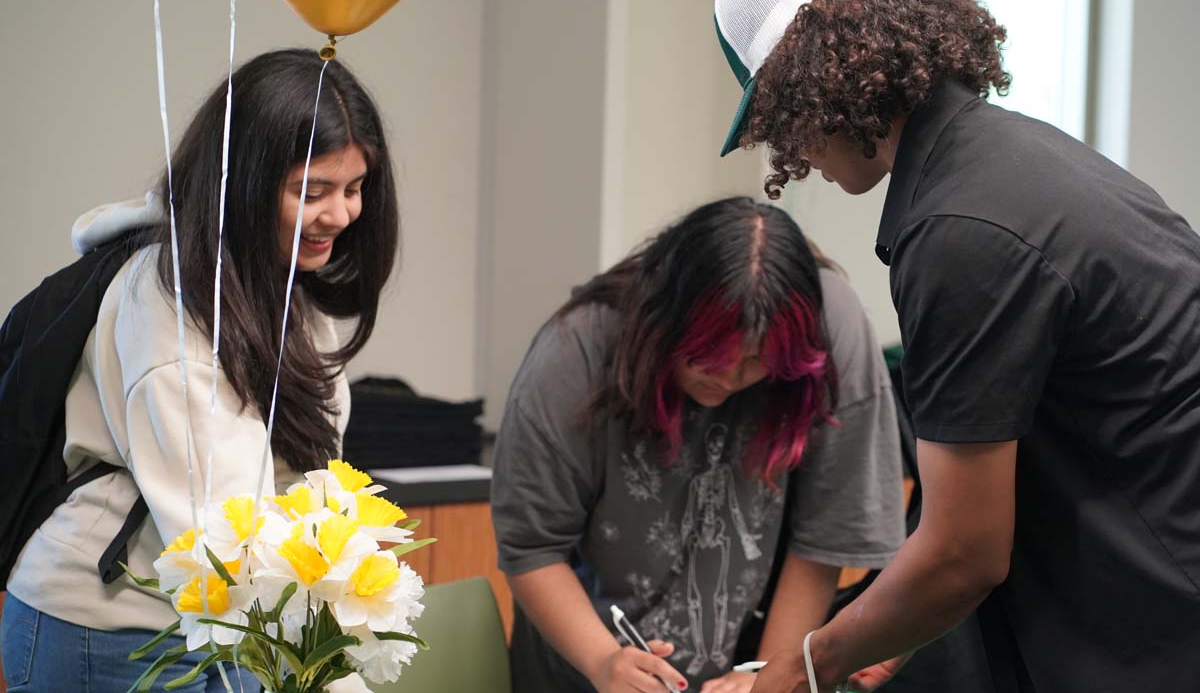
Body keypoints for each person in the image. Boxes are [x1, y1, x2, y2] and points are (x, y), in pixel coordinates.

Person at [714, 0, 1200, 693]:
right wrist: (884, 632)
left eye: (780, 120)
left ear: (812, 84)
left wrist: (801, 671)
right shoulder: (1014, 159)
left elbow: (965, 555)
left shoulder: (956, 231)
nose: (793, 154)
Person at [0, 49, 399, 692]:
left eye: (354, 189)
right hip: (107, 630)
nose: (342, 214)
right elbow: (222, 530)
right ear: (244, 180)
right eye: (312, 190)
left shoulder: (284, 285)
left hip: (211, 614)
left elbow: (306, 472)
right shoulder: (166, 301)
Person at [491, 197, 905, 692]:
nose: (730, 379)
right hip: (583, 656)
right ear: (663, 318)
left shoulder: (829, 328)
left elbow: (822, 541)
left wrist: (768, 678)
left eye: (757, 361)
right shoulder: (576, 351)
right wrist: (604, 662)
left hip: (750, 641)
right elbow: (532, 546)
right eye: (709, 356)